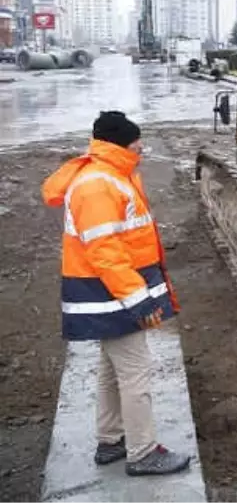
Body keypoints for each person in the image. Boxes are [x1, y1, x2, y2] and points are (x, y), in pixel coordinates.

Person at [42, 112, 191, 476]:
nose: (141, 145)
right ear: (120, 142)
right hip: (111, 294)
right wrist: (139, 301)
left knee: (112, 369)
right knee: (135, 372)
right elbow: (105, 252)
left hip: (109, 293)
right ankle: (142, 453)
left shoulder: (112, 175)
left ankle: (111, 440)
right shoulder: (98, 185)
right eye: (136, 140)